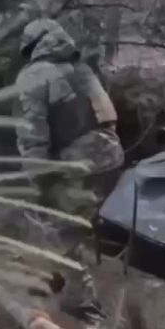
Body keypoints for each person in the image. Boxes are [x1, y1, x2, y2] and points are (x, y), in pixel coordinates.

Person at [13, 18, 125, 210]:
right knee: (106, 221)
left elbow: (31, 136)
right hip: (112, 159)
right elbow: (108, 118)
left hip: (74, 170)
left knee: (61, 224)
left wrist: (39, 183)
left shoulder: (32, 75)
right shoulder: (84, 69)